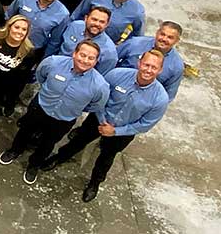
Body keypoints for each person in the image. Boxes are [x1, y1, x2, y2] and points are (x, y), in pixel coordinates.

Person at [41, 51, 168, 202]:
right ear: (139, 63)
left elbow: (145, 124)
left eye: (154, 67)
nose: (148, 70)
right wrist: (101, 119)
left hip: (122, 132)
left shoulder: (160, 98)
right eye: (146, 64)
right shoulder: (117, 75)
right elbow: (99, 96)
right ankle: (60, 157)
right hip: (98, 119)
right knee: (78, 141)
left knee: (107, 157)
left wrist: (115, 131)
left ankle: (95, 183)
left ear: (160, 70)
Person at [0, 40, 109, 186]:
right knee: (25, 130)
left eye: (91, 58)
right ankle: (15, 150)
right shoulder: (53, 63)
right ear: (75, 53)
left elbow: (94, 105)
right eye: (82, 55)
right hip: (40, 108)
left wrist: (73, 107)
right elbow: (41, 76)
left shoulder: (100, 86)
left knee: (48, 143)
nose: (85, 60)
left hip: (64, 119)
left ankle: (34, 164)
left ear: (96, 61)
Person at [115, 21, 184, 101]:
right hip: (118, 87)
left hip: (142, 100)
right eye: (162, 34)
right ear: (157, 33)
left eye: (170, 37)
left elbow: (167, 96)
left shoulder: (177, 66)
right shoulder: (134, 43)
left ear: (177, 41)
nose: (164, 39)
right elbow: (112, 60)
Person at [6, 0, 70, 61]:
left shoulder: (63, 14)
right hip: (9, 43)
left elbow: (54, 42)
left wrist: (43, 60)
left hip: (32, 53)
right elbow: (8, 17)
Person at [46, 6, 119, 73]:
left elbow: (99, 78)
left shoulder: (109, 53)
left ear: (107, 24)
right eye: (94, 19)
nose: (97, 24)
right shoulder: (74, 26)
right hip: (53, 68)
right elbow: (55, 45)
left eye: (102, 22)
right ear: (86, 18)